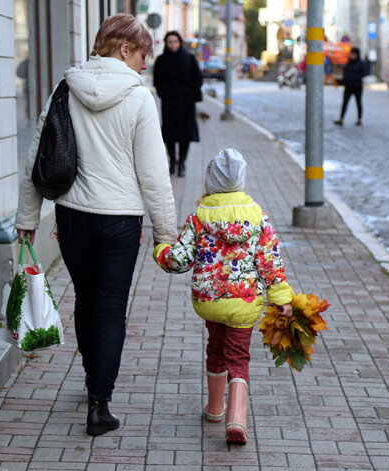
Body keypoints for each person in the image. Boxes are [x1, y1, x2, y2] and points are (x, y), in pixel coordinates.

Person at [15, 13, 178, 436]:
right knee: (109, 309)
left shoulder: (64, 88)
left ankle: (91, 382)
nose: (145, 64)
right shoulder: (140, 98)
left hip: (71, 218)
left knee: (86, 300)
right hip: (120, 222)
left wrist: (27, 218)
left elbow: (39, 156)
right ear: (124, 49)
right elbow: (155, 176)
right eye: (144, 54)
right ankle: (99, 404)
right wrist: (167, 235)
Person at [152, 149, 293, 444]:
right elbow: (270, 261)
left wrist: (160, 251)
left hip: (210, 300)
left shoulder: (200, 215)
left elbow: (178, 260)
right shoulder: (257, 215)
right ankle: (237, 419)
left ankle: (215, 408)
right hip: (244, 302)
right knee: (238, 356)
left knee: (215, 348)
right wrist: (281, 297)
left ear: (211, 181)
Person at [153, 31, 203, 177]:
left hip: (186, 102)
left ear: (180, 42)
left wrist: (191, 93)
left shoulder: (190, 58)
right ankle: (172, 162)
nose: (172, 44)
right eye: (169, 42)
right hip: (169, 102)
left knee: (185, 134)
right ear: (166, 43)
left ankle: (182, 162)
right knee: (169, 134)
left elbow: (198, 79)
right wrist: (164, 93)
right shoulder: (161, 60)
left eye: (175, 41)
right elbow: (157, 81)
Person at [334, 47, 369, 126]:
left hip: (357, 86)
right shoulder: (349, 63)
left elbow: (364, 72)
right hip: (348, 86)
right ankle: (341, 119)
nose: (352, 56)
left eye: (353, 54)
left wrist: (355, 77)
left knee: (358, 103)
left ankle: (359, 119)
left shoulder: (360, 63)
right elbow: (345, 72)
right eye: (351, 54)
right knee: (345, 103)